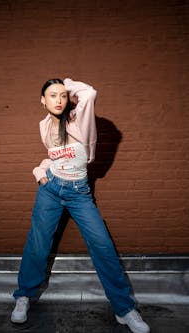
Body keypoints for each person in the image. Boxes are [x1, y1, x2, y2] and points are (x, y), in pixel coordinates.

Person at [11, 78, 150, 333]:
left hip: (79, 193)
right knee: (38, 243)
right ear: (42, 100)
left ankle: (124, 309)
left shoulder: (78, 119)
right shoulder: (43, 126)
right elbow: (54, 157)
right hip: (50, 189)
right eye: (52, 95)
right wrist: (39, 172)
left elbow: (90, 92)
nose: (59, 99)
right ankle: (23, 296)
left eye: (63, 95)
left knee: (102, 246)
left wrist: (66, 83)